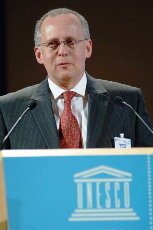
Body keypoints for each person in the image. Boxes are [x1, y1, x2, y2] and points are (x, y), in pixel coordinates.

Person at [0, 7, 153, 149]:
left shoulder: (127, 102)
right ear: (39, 54)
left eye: (70, 42)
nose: (62, 51)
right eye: (53, 44)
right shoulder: (11, 109)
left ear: (88, 48)